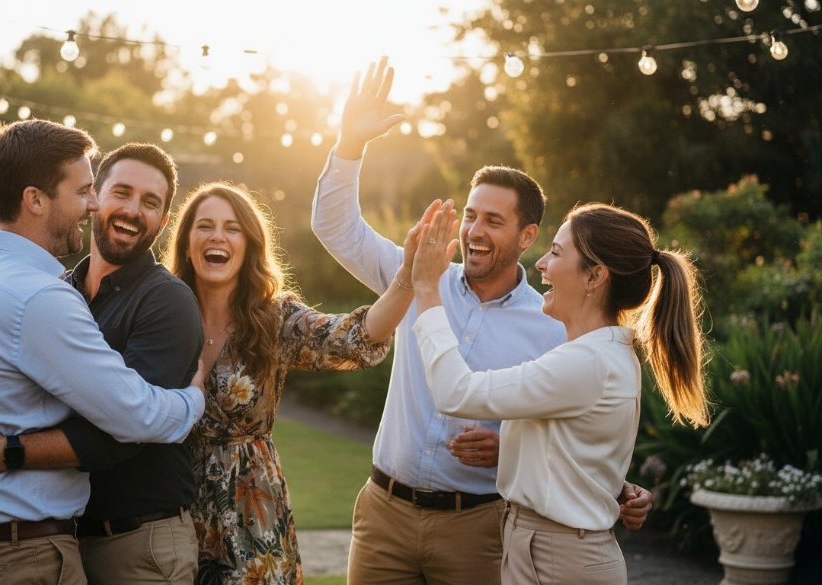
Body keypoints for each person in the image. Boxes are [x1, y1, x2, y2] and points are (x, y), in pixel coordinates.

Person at [311, 58, 651, 585]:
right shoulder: (418, 277)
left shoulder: (554, 325)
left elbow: (580, 424)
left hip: (480, 526)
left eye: (493, 220)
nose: (475, 230)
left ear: (528, 236)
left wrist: (514, 450)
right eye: (470, 214)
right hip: (385, 513)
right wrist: (349, 144)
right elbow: (335, 227)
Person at [0, 120, 205, 585]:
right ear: (35, 199)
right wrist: (195, 396)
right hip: (16, 553)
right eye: (85, 191)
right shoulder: (42, 296)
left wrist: (9, 451)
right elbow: (136, 416)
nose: (93, 203)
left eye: (151, 201)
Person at [411, 201, 709, 584]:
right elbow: (573, 447)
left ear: (595, 275)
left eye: (555, 253)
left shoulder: (587, 362)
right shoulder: (594, 355)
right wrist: (611, 488)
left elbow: (456, 392)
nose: (541, 265)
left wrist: (425, 289)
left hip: (559, 557)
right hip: (544, 549)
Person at [162, 181, 419, 584]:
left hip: (252, 512)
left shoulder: (274, 319)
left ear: (248, 243)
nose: (218, 236)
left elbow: (356, 337)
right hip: (171, 508)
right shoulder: (162, 314)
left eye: (232, 228)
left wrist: (406, 280)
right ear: (187, 240)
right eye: (205, 225)